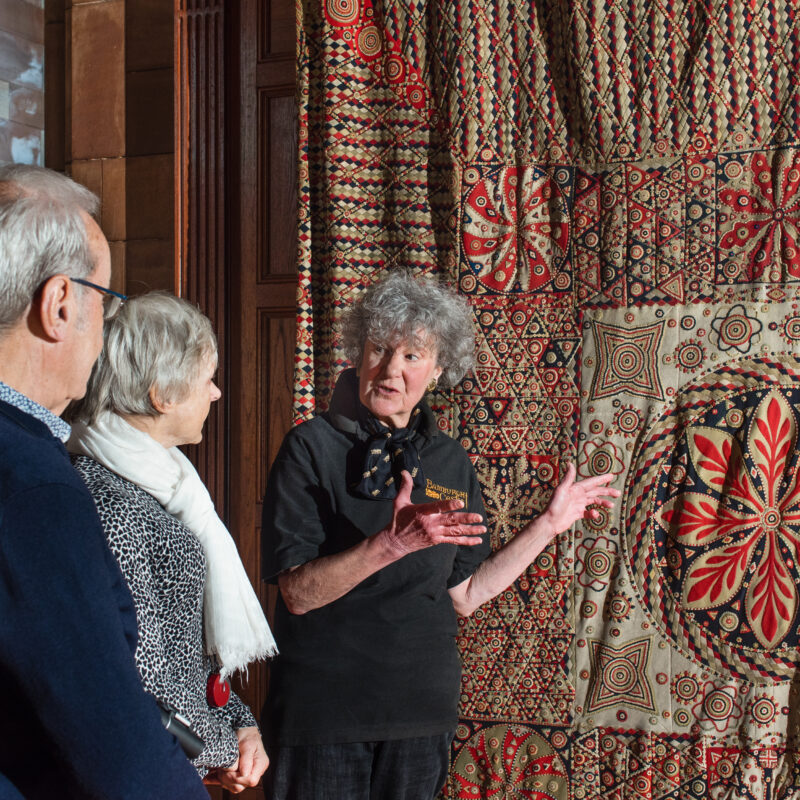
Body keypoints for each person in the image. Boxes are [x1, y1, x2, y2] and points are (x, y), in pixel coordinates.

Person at [261, 270, 619, 799]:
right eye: (379, 349)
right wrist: (390, 544)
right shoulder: (309, 448)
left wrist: (549, 524)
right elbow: (296, 594)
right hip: (324, 717)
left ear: (439, 368)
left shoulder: (448, 459)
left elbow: (465, 595)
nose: (390, 369)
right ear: (358, 353)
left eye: (412, 356)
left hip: (420, 717)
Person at [0, 164, 208, 799]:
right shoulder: (32, 482)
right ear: (60, 304)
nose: (105, 328)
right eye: (105, 300)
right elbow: (105, 727)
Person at [67, 292, 277, 794]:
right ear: (162, 393)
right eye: (207, 379)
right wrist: (224, 748)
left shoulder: (170, 484)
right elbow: (142, 673)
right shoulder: (109, 497)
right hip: (141, 770)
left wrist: (241, 720)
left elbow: (185, 650)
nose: (217, 393)